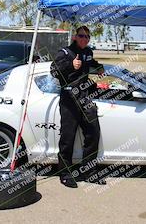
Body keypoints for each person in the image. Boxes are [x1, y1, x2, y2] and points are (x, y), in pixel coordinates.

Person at [51, 26, 105, 188]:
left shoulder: (88, 52)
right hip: (69, 98)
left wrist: (99, 67)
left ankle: (89, 172)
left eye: (87, 37)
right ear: (75, 37)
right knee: (68, 137)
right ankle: (65, 174)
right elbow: (54, 71)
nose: (84, 39)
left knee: (93, 133)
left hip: (84, 97)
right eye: (81, 36)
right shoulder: (65, 53)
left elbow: (91, 63)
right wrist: (70, 65)